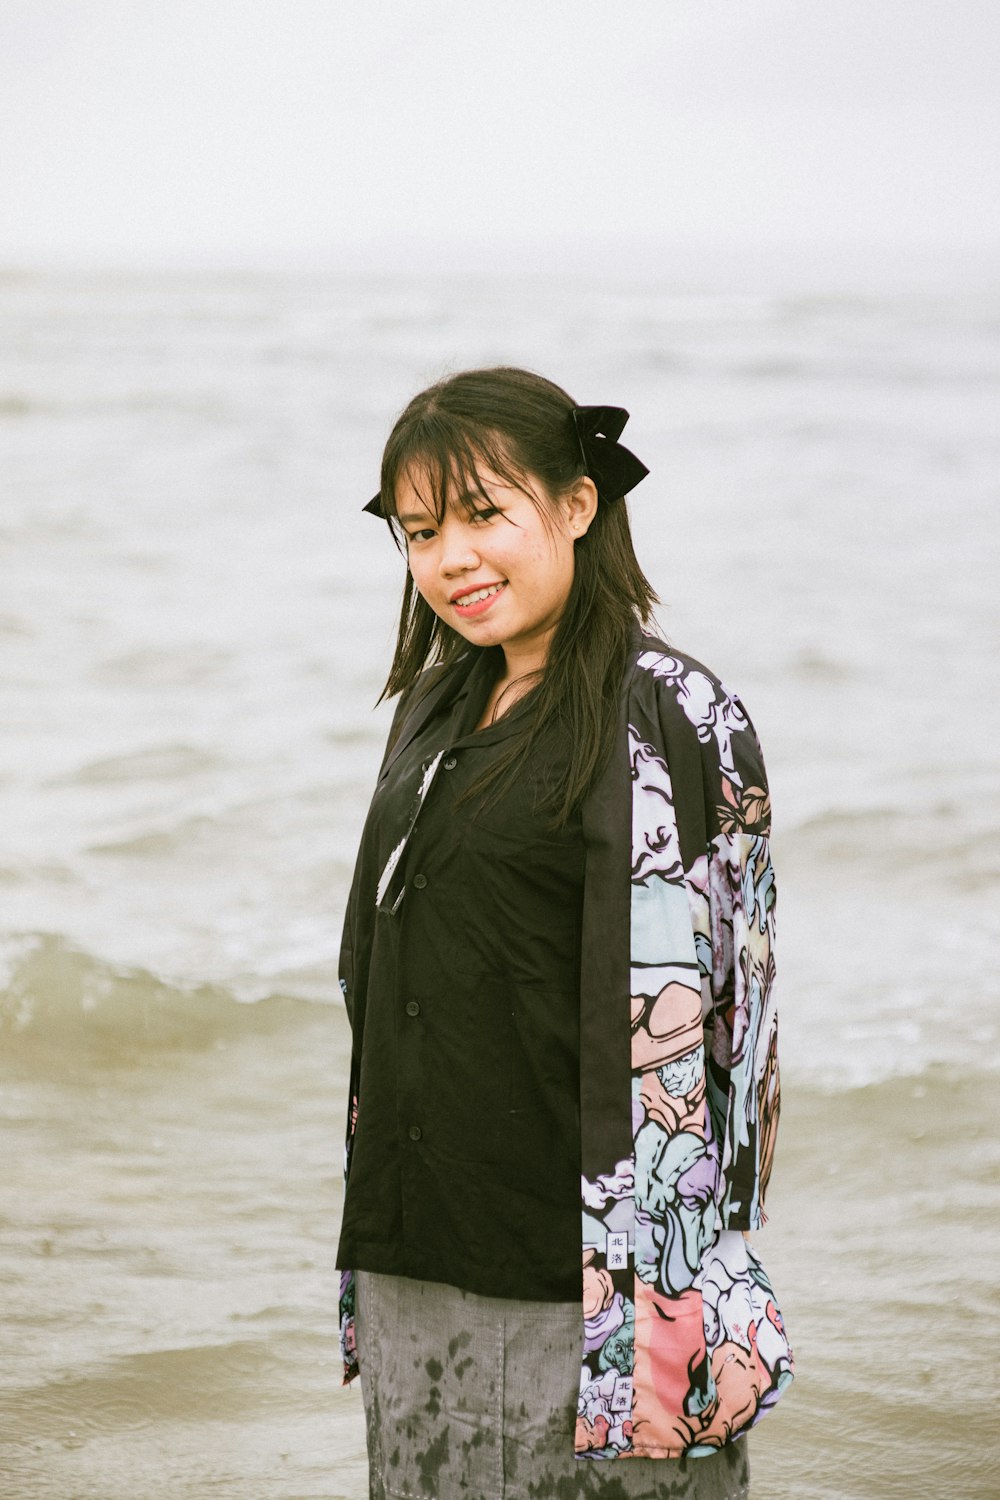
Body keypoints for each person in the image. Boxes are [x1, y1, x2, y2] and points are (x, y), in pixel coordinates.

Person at [336, 367, 793, 1500]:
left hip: (596, 1267)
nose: (450, 559)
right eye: (420, 530)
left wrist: (691, 1281)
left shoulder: (672, 713)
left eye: (484, 514)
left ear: (578, 505)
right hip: (421, 1237)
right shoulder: (433, 709)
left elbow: (737, 1016)